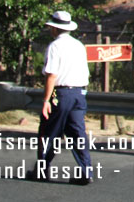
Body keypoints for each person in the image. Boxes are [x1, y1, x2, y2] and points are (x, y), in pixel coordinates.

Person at [27, 10, 93, 185]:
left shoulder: (54, 46)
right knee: (78, 134)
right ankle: (85, 170)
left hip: (61, 93)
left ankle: (42, 170)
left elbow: (51, 75)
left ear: (55, 29)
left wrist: (46, 100)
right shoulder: (79, 45)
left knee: (50, 132)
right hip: (79, 92)